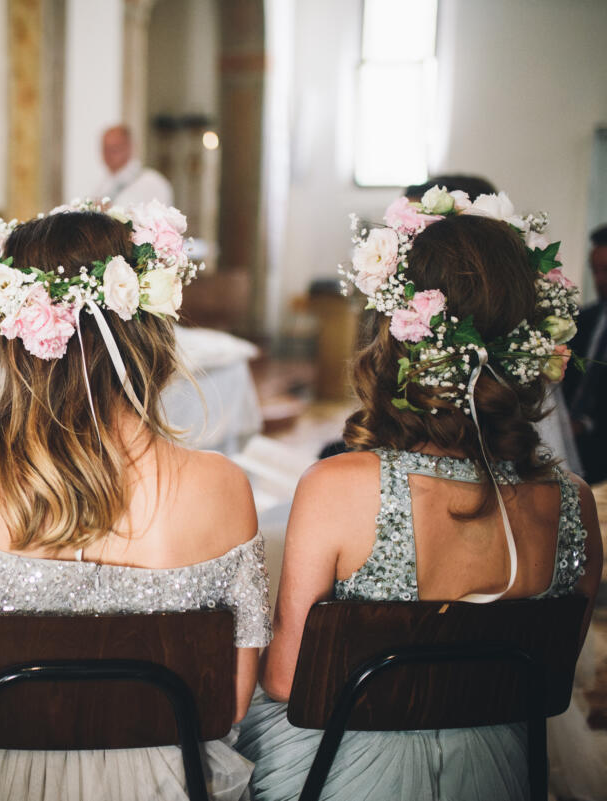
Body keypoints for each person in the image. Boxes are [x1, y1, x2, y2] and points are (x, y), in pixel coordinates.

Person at [0, 200, 271, 801]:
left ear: (16, 336)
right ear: (151, 327)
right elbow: (227, 705)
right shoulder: (223, 487)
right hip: (168, 786)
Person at [238, 188, 602, 801]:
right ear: (528, 337)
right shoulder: (572, 500)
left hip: (344, 768)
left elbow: (285, 680)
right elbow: (551, 677)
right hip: (501, 770)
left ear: (396, 334)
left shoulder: (338, 487)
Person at [564, 223, 607, 483]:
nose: (600, 279)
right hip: (571, 444)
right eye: (596, 270)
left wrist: (586, 424)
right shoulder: (585, 318)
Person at [94, 125, 174, 207]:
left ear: (130, 147)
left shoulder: (153, 183)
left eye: (115, 148)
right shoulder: (102, 186)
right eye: (105, 149)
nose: (109, 154)